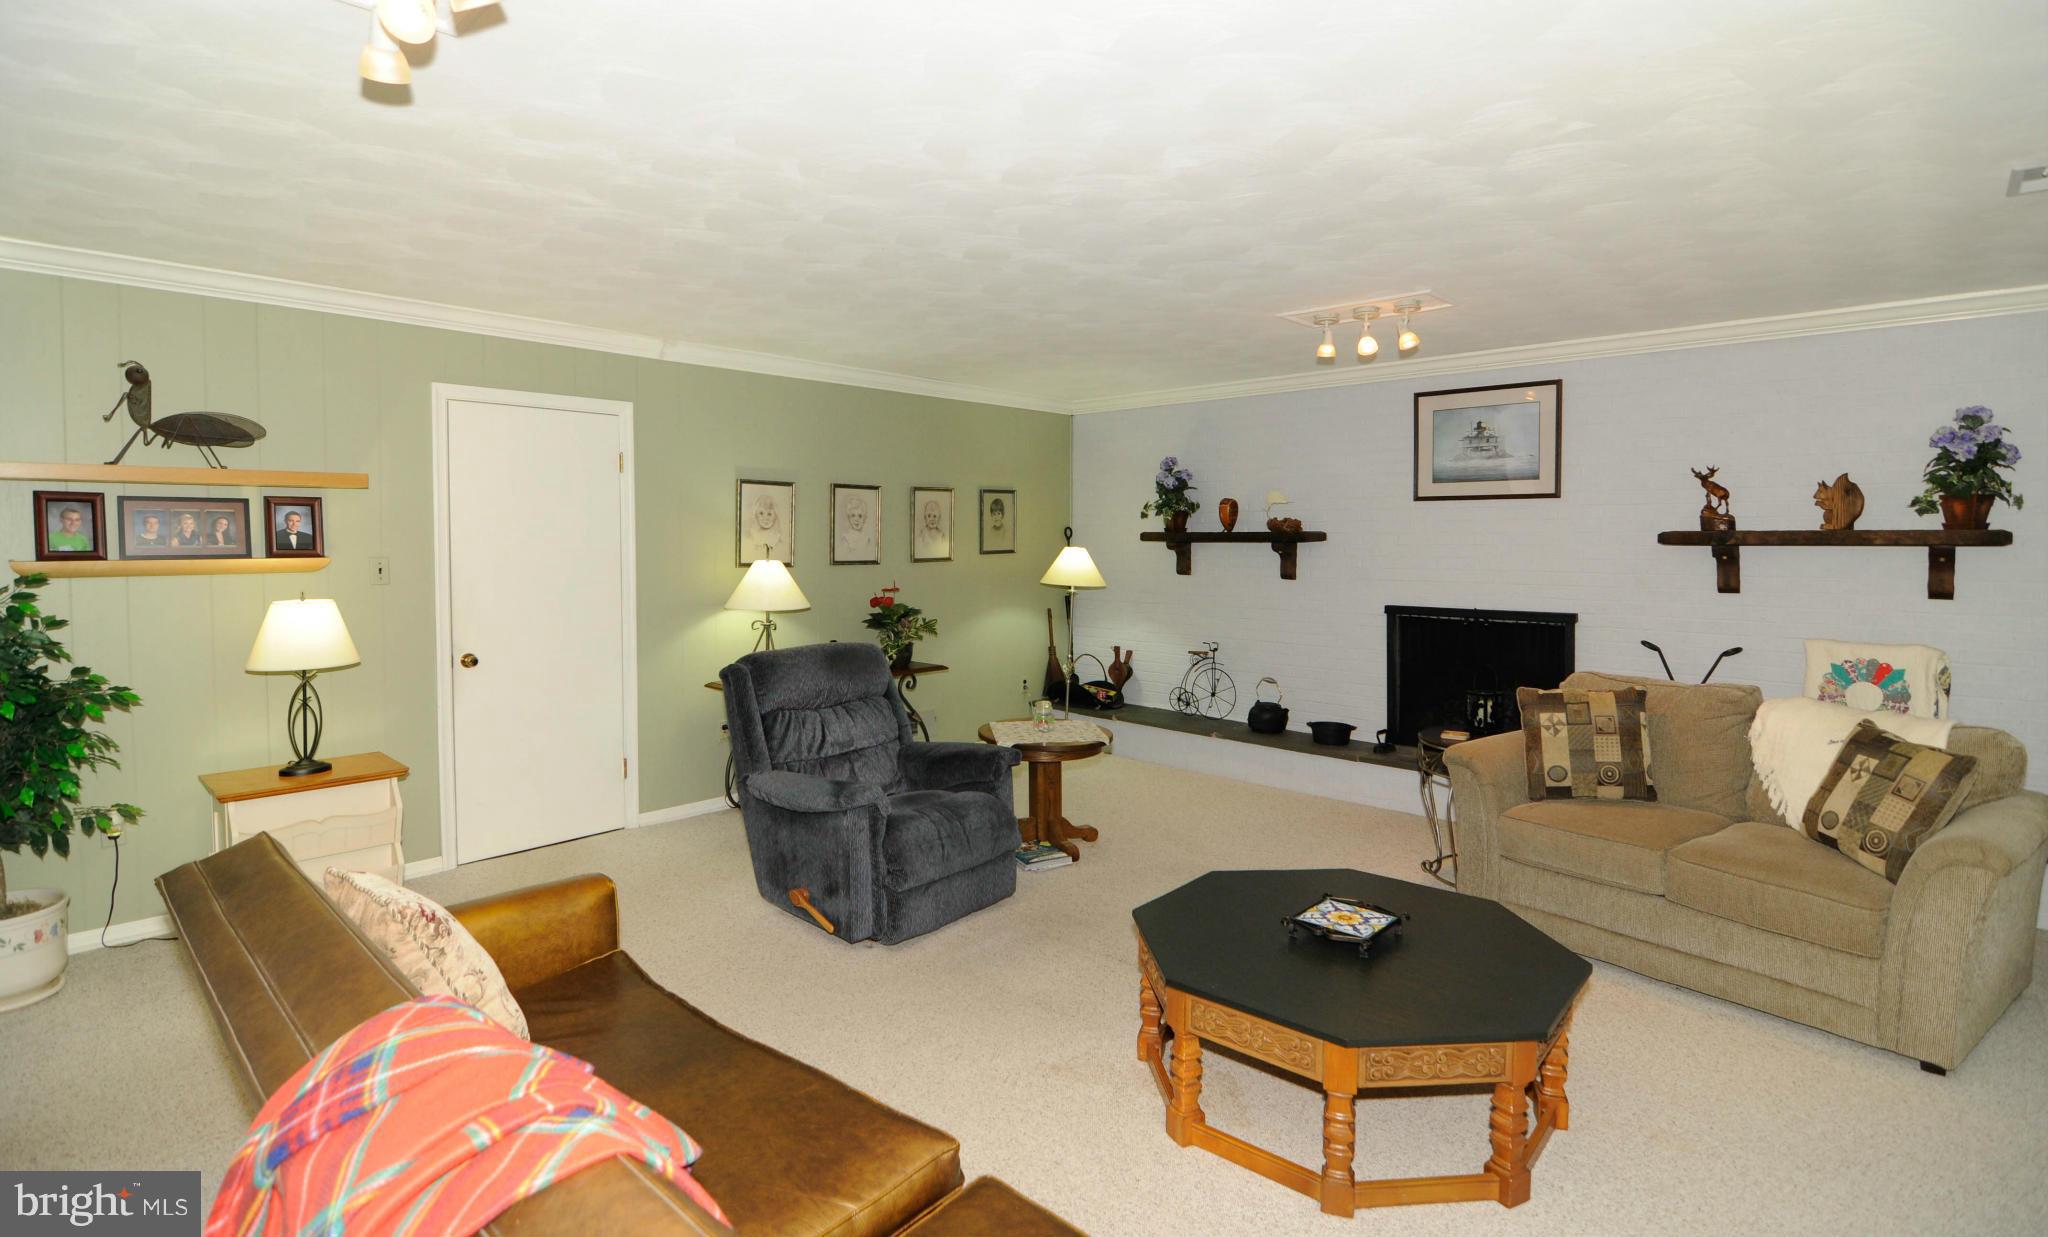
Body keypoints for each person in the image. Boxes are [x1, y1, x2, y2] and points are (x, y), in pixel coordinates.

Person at [744, 490, 788, 562]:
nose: (765, 518)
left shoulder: (777, 536)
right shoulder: (752, 535)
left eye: (769, 514)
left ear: (775, 516)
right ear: (756, 515)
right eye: (761, 513)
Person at [836, 491, 877, 561]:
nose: (856, 519)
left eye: (860, 516)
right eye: (853, 515)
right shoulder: (846, 538)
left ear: (864, 518)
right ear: (849, 518)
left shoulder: (867, 539)